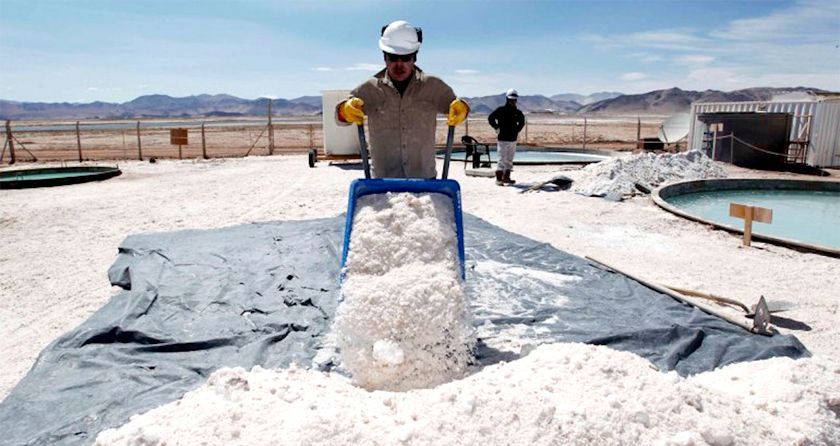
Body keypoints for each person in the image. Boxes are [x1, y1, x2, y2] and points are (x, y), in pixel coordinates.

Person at [335, 20, 470, 179]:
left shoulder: (434, 86)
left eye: (405, 58)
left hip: (425, 181)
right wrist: (344, 110)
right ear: (384, 57)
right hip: (382, 183)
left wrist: (463, 109)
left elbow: (458, 108)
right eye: (393, 57)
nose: (399, 64)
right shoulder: (369, 88)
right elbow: (340, 119)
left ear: (414, 58)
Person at [488, 89, 525, 186]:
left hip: (513, 139)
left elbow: (522, 122)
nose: (513, 102)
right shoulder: (501, 110)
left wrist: (517, 130)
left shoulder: (518, 112)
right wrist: (496, 127)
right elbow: (491, 118)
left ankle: (506, 177)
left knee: (509, 159)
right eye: (511, 100)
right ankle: (499, 178)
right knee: (502, 159)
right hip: (503, 139)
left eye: (514, 100)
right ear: (507, 99)